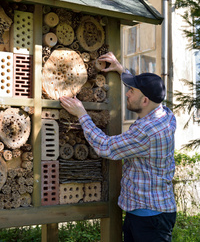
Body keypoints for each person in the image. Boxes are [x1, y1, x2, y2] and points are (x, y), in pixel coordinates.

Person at [60, 52, 177, 242]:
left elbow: (106, 147)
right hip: (146, 211)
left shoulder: (147, 132)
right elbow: (143, 93)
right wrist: (121, 69)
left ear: (145, 100)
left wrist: (81, 114)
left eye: (132, 90)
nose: (127, 93)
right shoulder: (165, 114)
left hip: (150, 218)